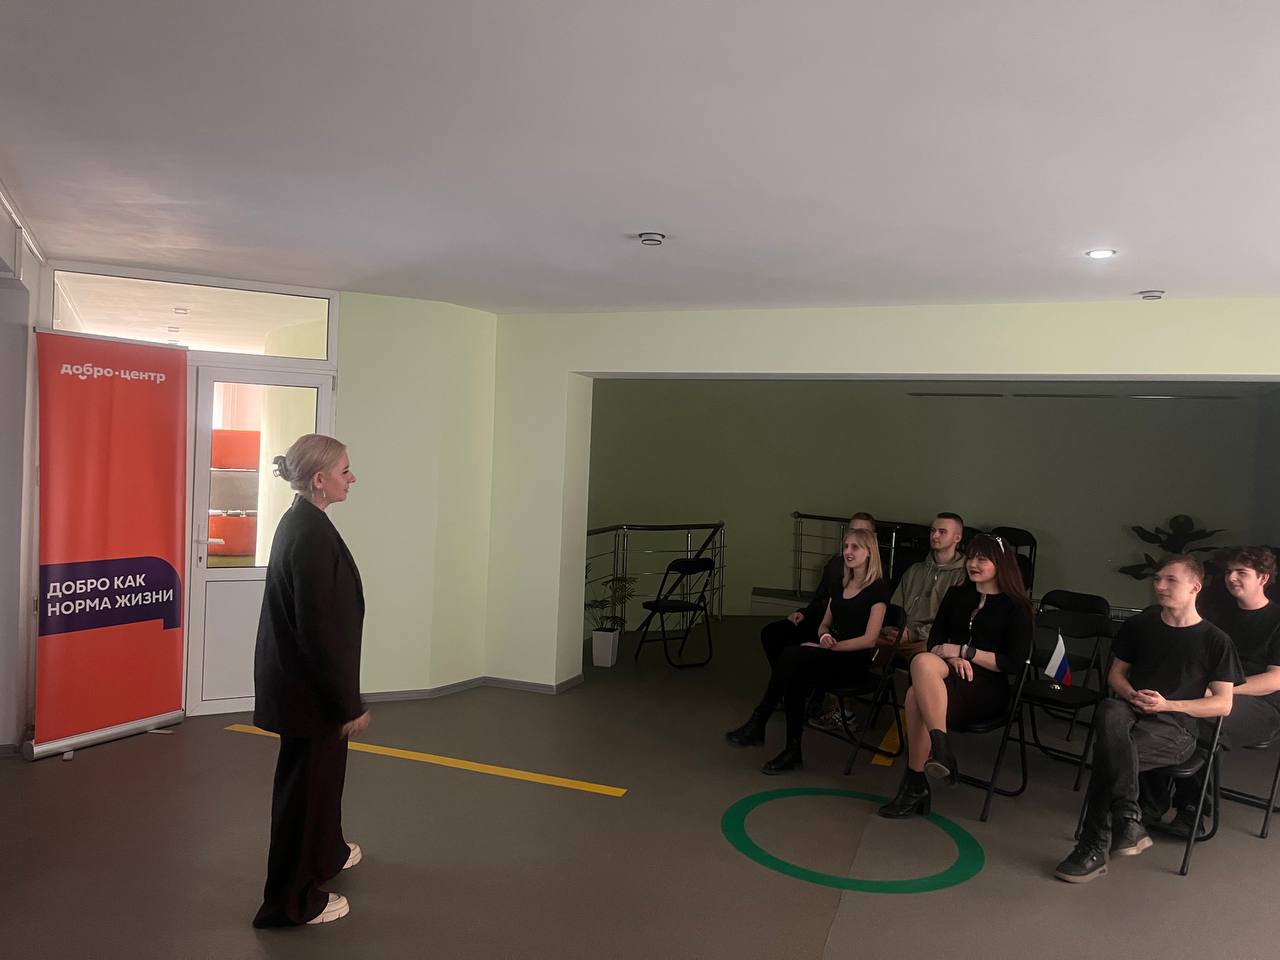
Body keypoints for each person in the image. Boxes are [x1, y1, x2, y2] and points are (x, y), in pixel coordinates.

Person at [1053, 555, 1243, 883]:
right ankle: (1127, 817)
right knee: (1109, 708)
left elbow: (1223, 704)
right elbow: (1116, 675)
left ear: (1195, 587)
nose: (1160, 586)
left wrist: (1167, 705)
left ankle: (1093, 847)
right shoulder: (1141, 625)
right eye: (1157, 579)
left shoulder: (1215, 640)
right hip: (1129, 713)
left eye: (1170, 580)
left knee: (1109, 758)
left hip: (1176, 728)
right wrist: (1131, 694)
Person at [251, 434, 370, 927]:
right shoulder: (310, 535)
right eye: (344, 471)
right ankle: (290, 903)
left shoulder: (303, 520)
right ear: (319, 480)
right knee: (305, 793)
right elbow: (319, 630)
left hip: (305, 687)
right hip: (310, 693)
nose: (352, 478)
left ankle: (327, 852)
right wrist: (348, 704)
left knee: (322, 782)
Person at [877, 533, 1032, 818]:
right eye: (970, 557)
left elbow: (1013, 663)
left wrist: (966, 652)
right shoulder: (957, 596)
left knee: (914, 695)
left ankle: (915, 784)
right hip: (947, 672)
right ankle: (941, 750)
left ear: (1001, 564)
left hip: (986, 688)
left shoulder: (1016, 607)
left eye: (982, 559)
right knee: (922, 660)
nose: (973, 564)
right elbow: (935, 641)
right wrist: (952, 656)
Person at [725, 527, 889, 773]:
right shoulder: (840, 584)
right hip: (832, 654)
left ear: (869, 552)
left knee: (792, 656)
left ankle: (759, 721)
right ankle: (791, 750)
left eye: (855, 547)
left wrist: (831, 648)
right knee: (794, 672)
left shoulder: (877, 589)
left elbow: (869, 640)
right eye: (846, 546)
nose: (848, 551)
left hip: (853, 663)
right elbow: (825, 623)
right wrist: (824, 637)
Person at [1163, 546, 1280, 838]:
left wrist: (1220, 690)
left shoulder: (1277, 620)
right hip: (1210, 691)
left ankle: (1192, 809)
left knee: (1207, 718)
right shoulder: (1219, 614)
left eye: (1242, 572)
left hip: (1263, 704)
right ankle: (1150, 801)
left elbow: (1275, 679)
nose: (1231, 578)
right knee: (1163, 710)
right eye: (1229, 572)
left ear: (1263, 578)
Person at [759, 513, 877, 670]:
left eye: (863, 533)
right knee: (771, 634)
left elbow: (870, 626)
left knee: (793, 654)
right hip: (822, 624)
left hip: (846, 636)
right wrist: (805, 613)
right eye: (853, 531)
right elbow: (821, 596)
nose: (857, 537)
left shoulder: (877, 577)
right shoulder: (836, 565)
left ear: (873, 539)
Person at [879, 512, 968, 658]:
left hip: (927, 639)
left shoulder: (962, 576)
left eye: (942, 532)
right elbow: (895, 606)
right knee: (863, 641)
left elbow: (950, 622)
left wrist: (913, 635)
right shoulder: (915, 569)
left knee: (925, 654)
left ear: (957, 538)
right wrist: (892, 628)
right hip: (899, 633)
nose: (935, 536)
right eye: (933, 530)